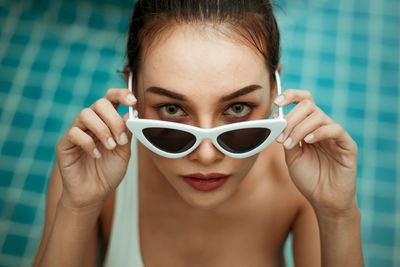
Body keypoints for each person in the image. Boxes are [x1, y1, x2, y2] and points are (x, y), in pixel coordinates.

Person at [33, 0, 364, 266]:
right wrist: (77, 207)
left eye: (237, 108)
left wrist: (338, 214)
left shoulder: (301, 182)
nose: (206, 154)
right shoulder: (92, 169)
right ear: (131, 89)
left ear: (275, 87)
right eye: (172, 109)